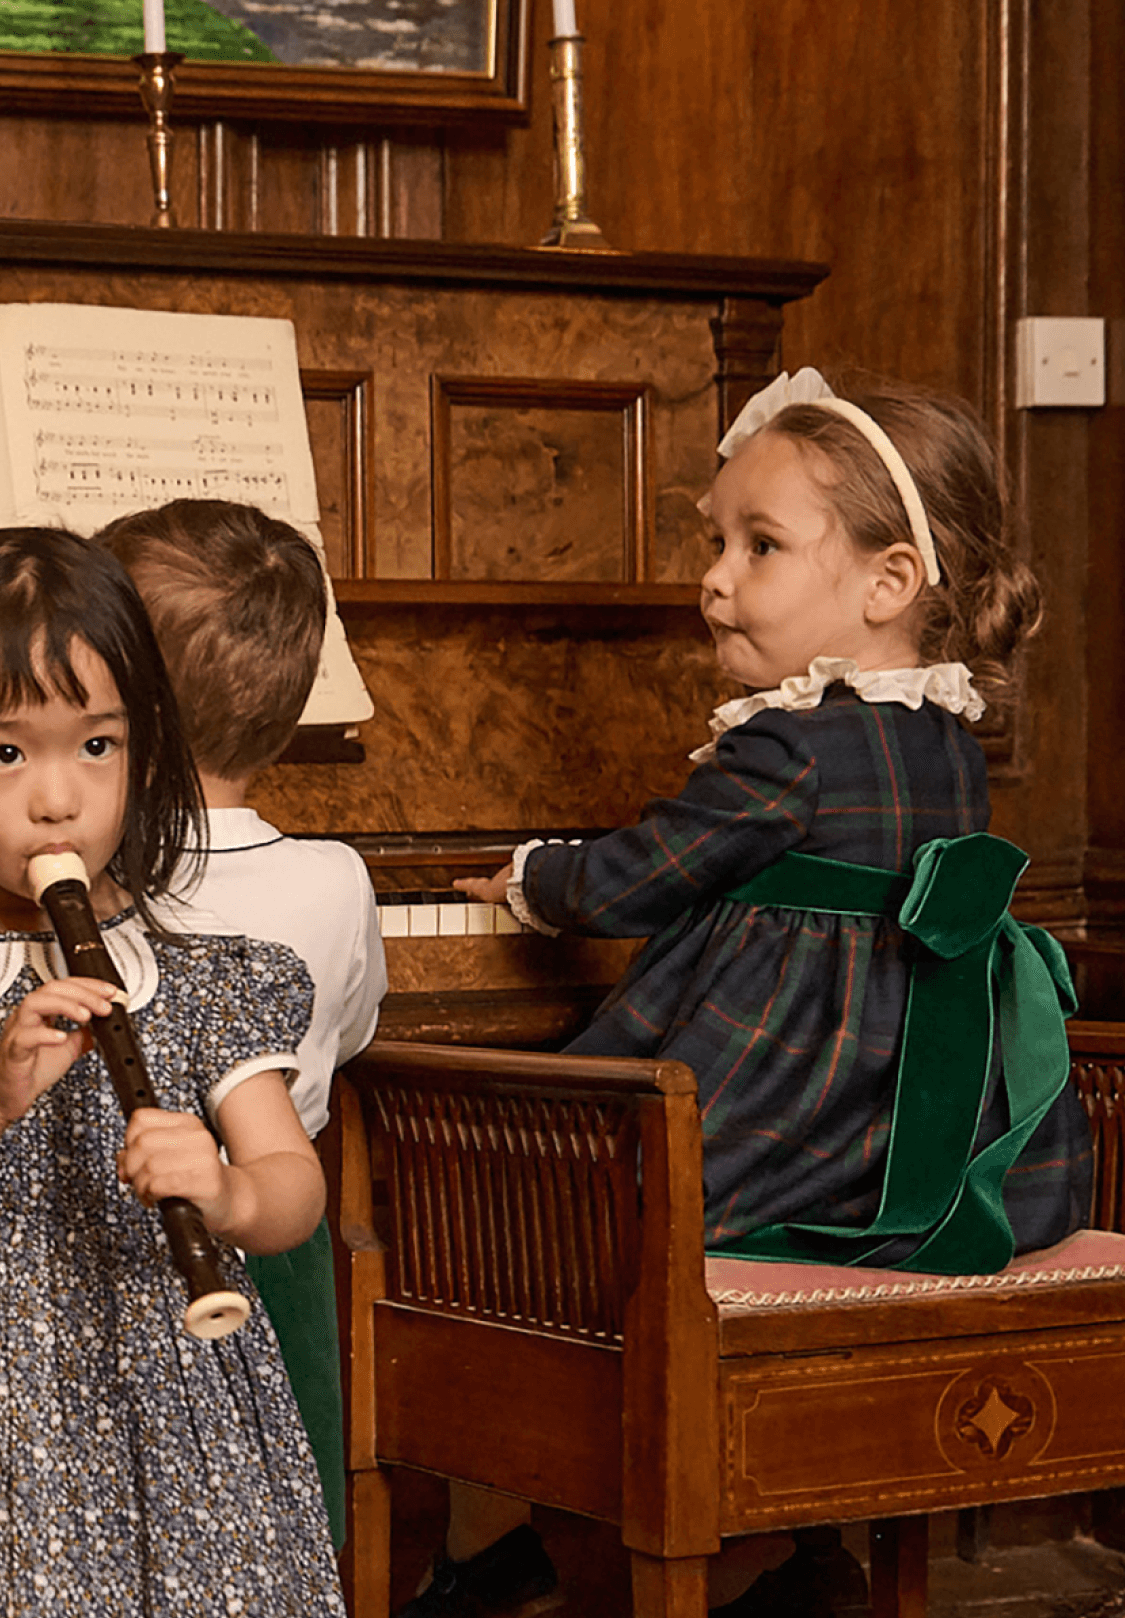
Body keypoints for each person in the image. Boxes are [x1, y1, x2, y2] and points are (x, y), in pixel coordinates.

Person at [413, 370, 1095, 1618]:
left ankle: (521, 1519)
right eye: (713, 540)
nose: (715, 577)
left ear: (889, 583)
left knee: (523, 1178)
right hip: (906, 1118)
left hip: (780, 1101)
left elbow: (645, 875)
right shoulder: (948, 740)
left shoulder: (786, 744)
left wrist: (532, 878)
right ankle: (782, 1545)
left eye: (759, 546)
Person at [0, 528, 346, 1615]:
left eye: (97, 746)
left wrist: (227, 1188)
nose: (59, 799)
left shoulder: (208, 978)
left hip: (166, 1397)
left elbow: (292, 1189)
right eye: (6, 754)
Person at [97, 498, 385, 1549]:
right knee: (272, 1519)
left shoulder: (88, 877)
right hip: (278, 1243)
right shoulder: (335, 878)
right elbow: (346, 1039)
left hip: (100, 1242)